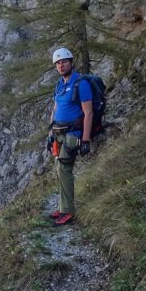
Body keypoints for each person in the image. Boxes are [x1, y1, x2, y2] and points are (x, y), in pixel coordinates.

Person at [46, 47, 92, 226]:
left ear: (71, 62)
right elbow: (55, 109)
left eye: (64, 61)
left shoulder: (81, 84)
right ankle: (62, 206)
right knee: (59, 169)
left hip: (73, 134)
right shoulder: (60, 85)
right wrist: (50, 133)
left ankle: (68, 211)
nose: (61, 65)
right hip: (58, 133)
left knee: (64, 168)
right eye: (58, 63)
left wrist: (85, 140)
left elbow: (88, 113)